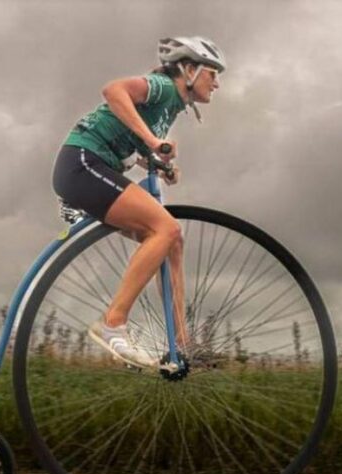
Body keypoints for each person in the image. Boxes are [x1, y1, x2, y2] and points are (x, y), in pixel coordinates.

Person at [51, 36, 225, 368]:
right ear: (189, 69)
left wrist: (157, 161)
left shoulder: (171, 107)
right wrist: (152, 140)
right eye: (212, 73)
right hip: (82, 163)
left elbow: (131, 140)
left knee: (172, 241)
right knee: (165, 228)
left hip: (93, 167)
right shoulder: (162, 87)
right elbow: (114, 90)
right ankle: (112, 323)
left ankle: (181, 346)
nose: (217, 83)